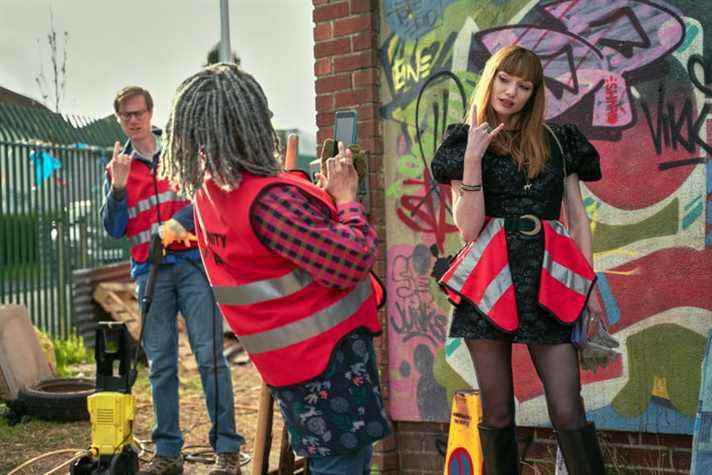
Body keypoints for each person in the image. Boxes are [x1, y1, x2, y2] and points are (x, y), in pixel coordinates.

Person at [159, 63, 391, 475]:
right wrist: (347, 198)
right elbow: (350, 261)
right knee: (342, 463)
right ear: (248, 122)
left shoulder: (211, 194)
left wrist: (317, 199)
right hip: (326, 362)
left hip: (294, 362)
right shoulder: (269, 200)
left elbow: (277, 253)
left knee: (336, 460)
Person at [431, 45, 606, 474]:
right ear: (490, 78)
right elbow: (468, 231)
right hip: (490, 284)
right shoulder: (463, 140)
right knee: (498, 413)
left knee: (568, 409)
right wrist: (473, 158)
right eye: (505, 80)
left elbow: (577, 218)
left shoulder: (559, 141)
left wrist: (588, 286)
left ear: (534, 93)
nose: (511, 92)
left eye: (523, 86)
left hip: (549, 281)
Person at [101, 86, 245, 475]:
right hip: (150, 274)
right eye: (126, 115)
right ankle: (168, 454)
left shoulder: (180, 155)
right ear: (120, 120)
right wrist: (117, 187)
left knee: (211, 358)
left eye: (139, 112)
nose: (134, 120)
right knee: (162, 365)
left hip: (195, 268)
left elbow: (205, 202)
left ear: (151, 113)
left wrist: (172, 226)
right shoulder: (118, 167)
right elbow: (114, 229)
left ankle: (227, 452)